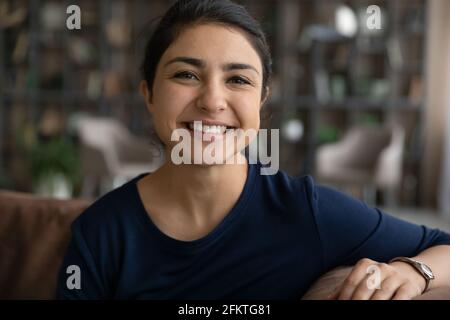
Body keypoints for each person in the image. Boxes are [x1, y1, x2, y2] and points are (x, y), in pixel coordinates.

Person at [56, 0, 450, 300]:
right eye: (186, 74)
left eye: (238, 80)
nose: (212, 101)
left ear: (261, 102)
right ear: (149, 95)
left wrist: (415, 272)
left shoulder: (305, 211)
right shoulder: (101, 233)